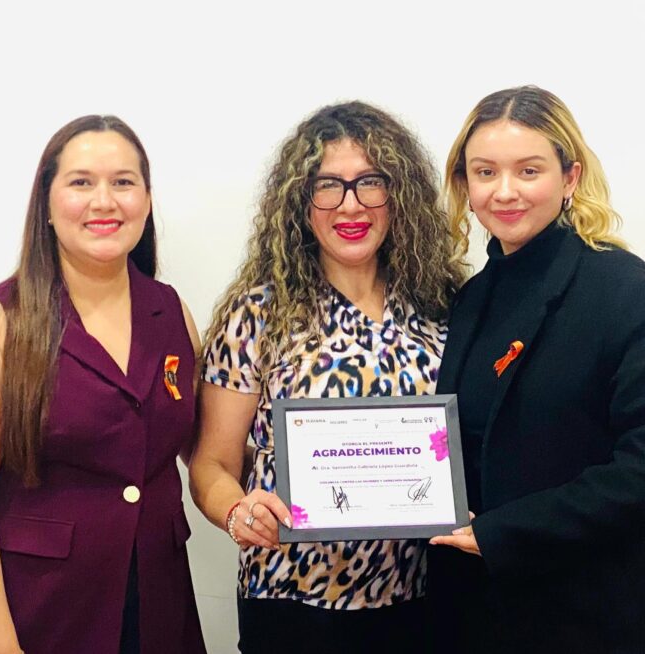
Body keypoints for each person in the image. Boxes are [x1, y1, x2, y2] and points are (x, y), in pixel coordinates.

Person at [427, 85, 645, 652]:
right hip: (507, 617)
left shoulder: (625, 291)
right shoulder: (470, 301)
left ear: (570, 178)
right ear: (465, 186)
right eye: (485, 172)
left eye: (529, 170)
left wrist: (505, 533)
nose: (505, 191)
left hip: (618, 613)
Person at [188, 101, 468, 653]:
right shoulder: (258, 315)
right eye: (328, 186)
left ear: (399, 194)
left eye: (370, 182)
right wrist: (239, 513)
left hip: (421, 599)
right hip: (289, 602)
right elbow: (211, 464)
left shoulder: (444, 308)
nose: (351, 204)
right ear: (301, 201)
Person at [0, 115, 206, 654]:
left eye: (123, 182)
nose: (104, 201)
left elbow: (201, 446)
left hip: (157, 608)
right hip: (36, 614)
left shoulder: (171, 311)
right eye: (81, 182)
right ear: (47, 202)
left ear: (147, 200)